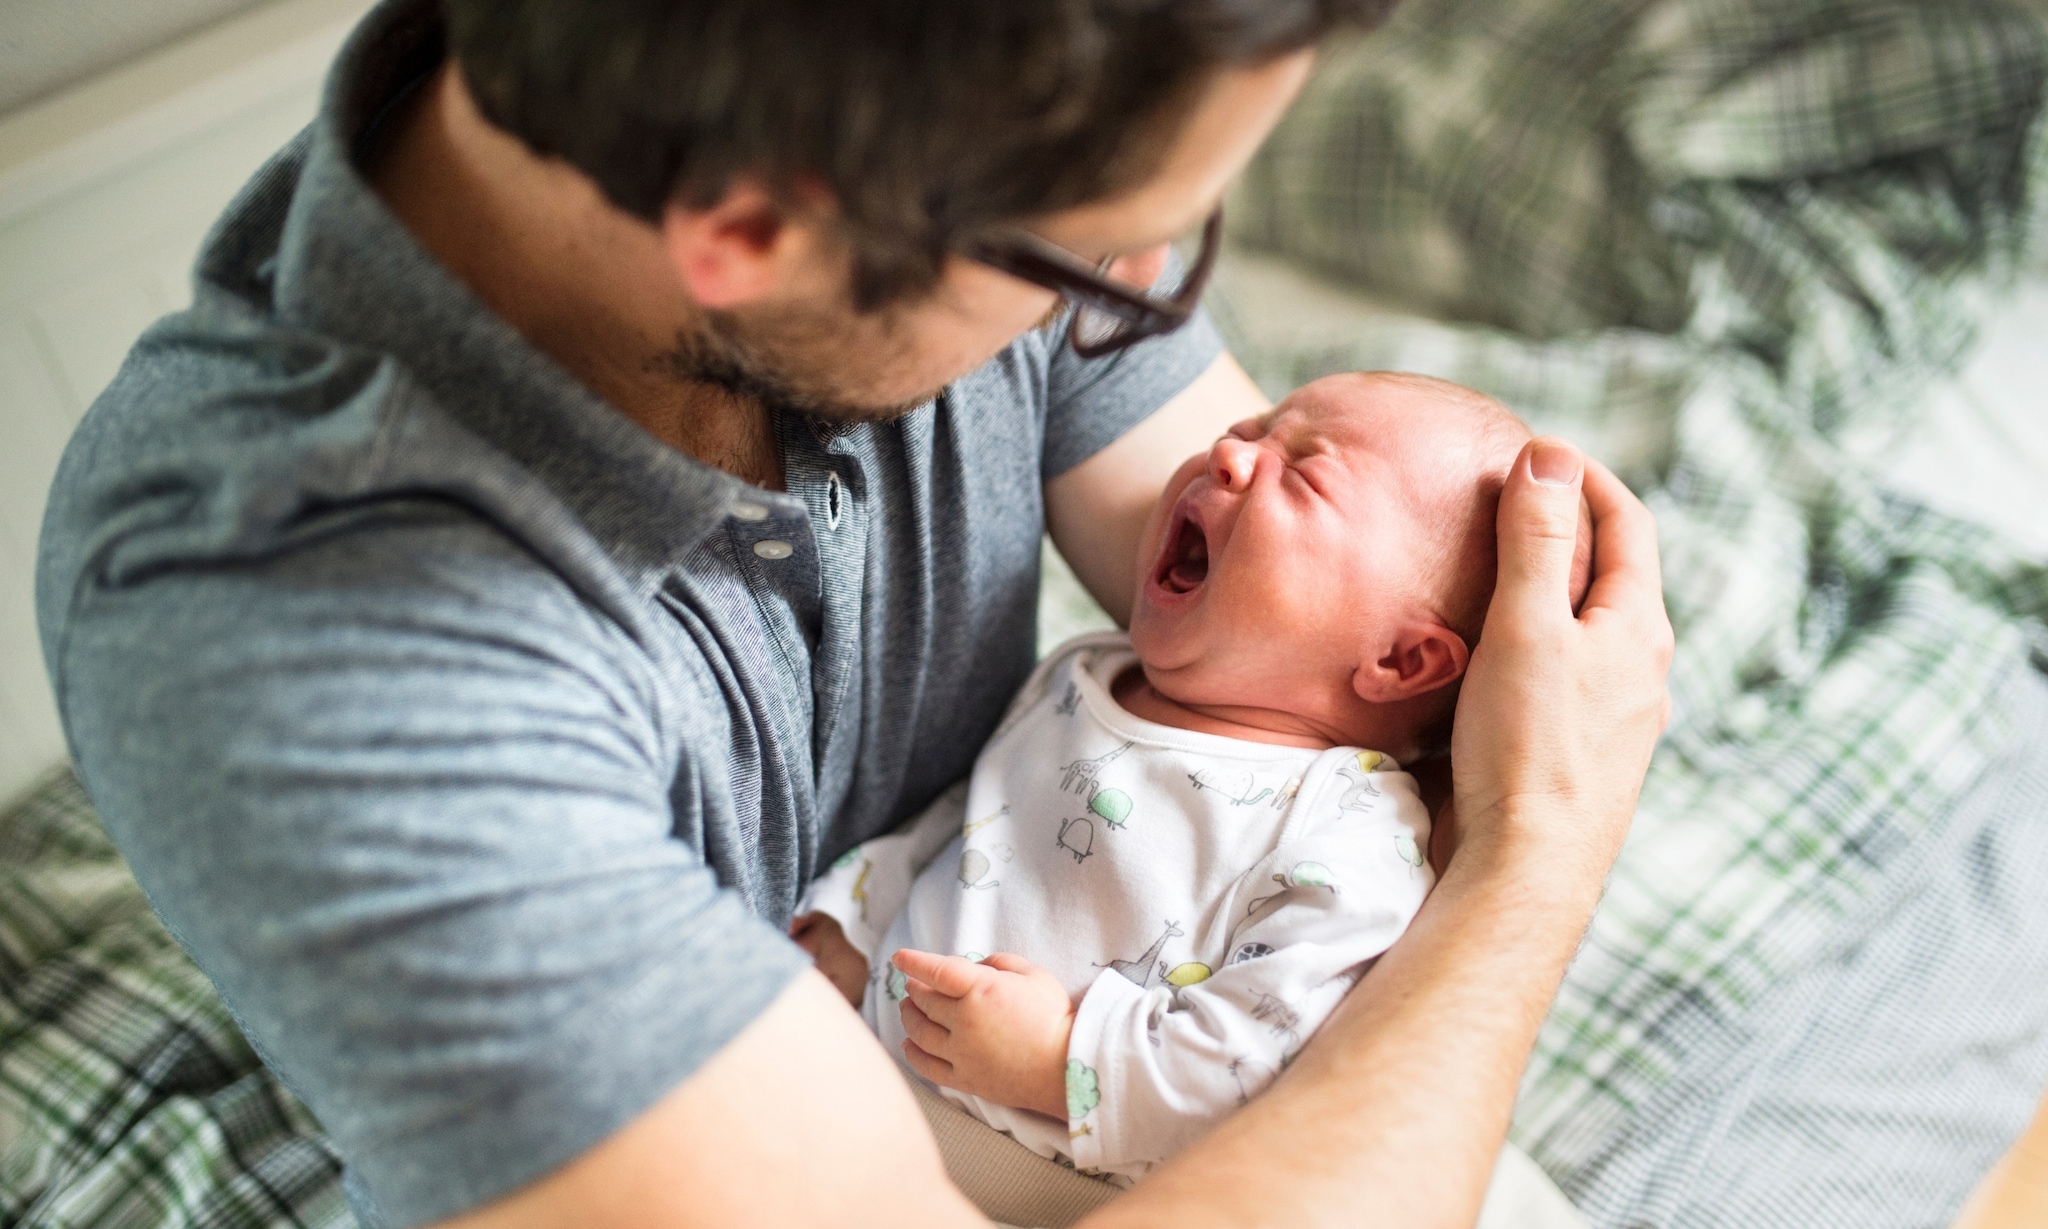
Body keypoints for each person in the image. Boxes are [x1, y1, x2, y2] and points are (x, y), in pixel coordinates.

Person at [33, 1, 1673, 1226]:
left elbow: (1320, 663)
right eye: (1100, 253)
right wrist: (1538, 851)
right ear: (749, 233)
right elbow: (1491, 784)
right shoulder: (307, 646)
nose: (1142, 300)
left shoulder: (936, 129)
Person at [794, 372, 1591, 1185]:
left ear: (1400, 660)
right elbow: (974, 824)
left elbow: (1257, 1062)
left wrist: (1060, 1057)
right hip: (859, 1081)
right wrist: (859, 917)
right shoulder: (1086, 673)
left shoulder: (1351, 829)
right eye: (1252, 427)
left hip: (1053, 1186)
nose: (1228, 455)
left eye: (1306, 474)